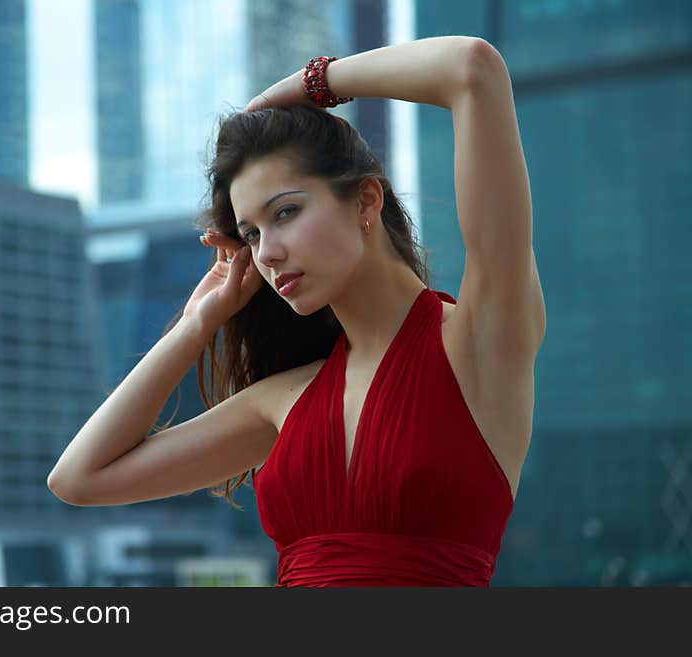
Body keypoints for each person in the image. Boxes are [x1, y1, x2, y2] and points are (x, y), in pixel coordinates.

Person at [47, 36, 546, 587]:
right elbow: (79, 478)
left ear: (365, 201)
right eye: (250, 234)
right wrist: (195, 325)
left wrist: (310, 85)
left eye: (286, 212)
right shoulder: (283, 400)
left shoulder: (480, 339)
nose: (267, 253)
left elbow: (472, 68)